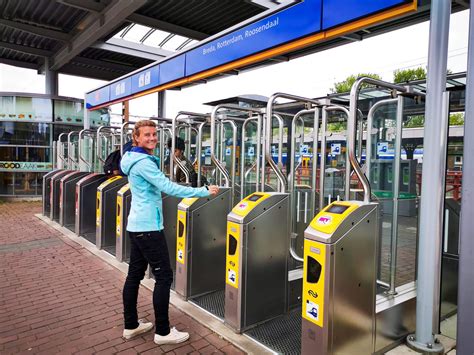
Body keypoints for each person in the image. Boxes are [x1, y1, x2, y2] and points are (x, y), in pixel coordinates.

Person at [120, 120, 219, 344]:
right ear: (136, 138)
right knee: (163, 276)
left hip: (136, 225)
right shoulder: (144, 162)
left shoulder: (131, 159)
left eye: (154, 134)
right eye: (146, 135)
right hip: (148, 228)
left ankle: (131, 325)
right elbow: (168, 187)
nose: (152, 138)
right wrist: (202, 191)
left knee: (134, 275)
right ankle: (163, 332)